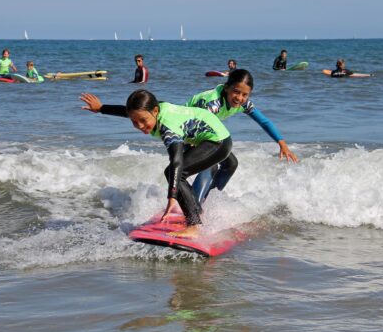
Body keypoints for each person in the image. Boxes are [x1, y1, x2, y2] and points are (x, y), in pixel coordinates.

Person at [80, 69, 298, 204]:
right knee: (211, 165)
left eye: (244, 94)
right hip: (183, 135)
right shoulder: (211, 103)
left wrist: (281, 142)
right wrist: (102, 108)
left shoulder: (242, 102)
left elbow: (263, 120)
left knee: (230, 164)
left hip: (204, 137)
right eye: (236, 92)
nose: (239, 98)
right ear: (226, 88)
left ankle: (208, 199)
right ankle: (196, 204)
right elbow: (138, 111)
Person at [80, 89, 233, 238]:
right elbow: (129, 112)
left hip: (217, 142)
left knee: (175, 173)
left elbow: (176, 162)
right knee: (175, 174)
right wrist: (101, 108)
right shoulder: (152, 109)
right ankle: (196, 211)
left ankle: (193, 225)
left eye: (143, 121)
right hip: (209, 136)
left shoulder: (168, 128)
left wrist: (172, 198)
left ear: (155, 111)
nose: (139, 125)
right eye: (134, 121)